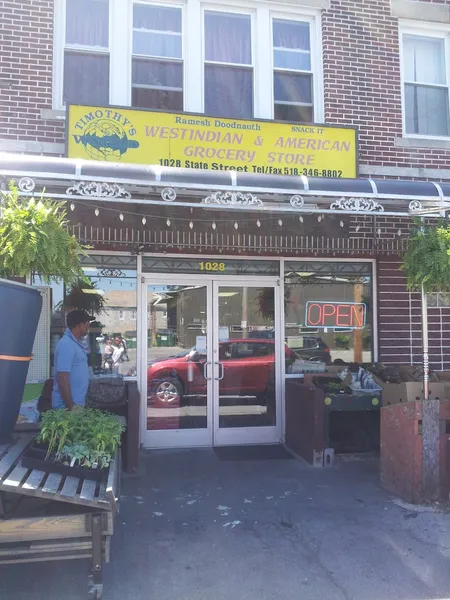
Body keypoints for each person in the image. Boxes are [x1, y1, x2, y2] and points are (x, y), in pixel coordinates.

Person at [52, 309, 95, 410]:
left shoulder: (73, 343)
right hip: (66, 408)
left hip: (75, 405)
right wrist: (71, 406)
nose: (88, 327)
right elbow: (62, 376)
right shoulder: (67, 344)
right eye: (87, 324)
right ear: (80, 325)